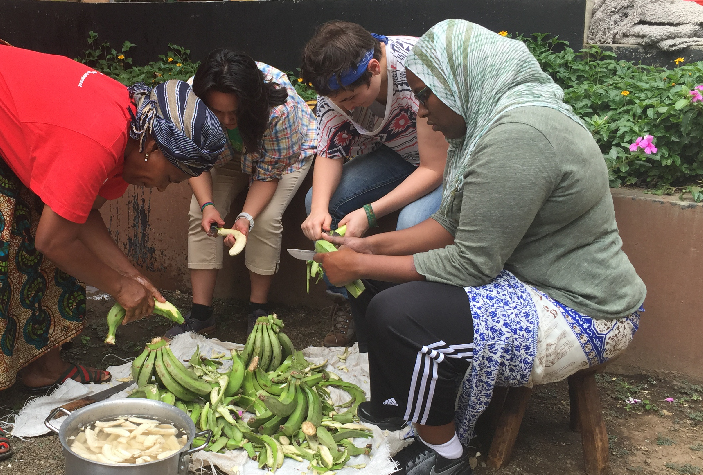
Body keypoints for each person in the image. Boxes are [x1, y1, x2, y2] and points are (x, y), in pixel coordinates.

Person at [0, 35, 225, 462]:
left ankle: (42, 365)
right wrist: (118, 288)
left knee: (28, 218)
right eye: (170, 177)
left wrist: (132, 276)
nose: (161, 186)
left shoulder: (132, 135)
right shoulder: (99, 139)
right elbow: (54, 241)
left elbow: (79, 214)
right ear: (154, 146)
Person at [313, 20, 645, 475]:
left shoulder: (518, 137)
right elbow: (450, 225)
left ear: (457, 83)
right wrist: (369, 246)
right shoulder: (488, 122)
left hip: (581, 308)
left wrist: (361, 262)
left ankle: (447, 454)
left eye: (427, 96)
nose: (423, 113)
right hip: (532, 278)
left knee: (399, 312)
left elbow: (471, 261)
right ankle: (399, 404)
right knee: (379, 277)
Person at [299, 21, 449, 346]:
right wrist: (321, 210)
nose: (346, 108)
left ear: (375, 67)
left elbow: (434, 169)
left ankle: (406, 320)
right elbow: (329, 149)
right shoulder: (337, 84)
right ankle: (349, 303)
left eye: (352, 98)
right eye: (339, 102)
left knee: (411, 223)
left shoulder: (415, 69)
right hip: (400, 154)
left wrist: (370, 212)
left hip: (450, 163)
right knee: (317, 202)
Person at [164, 48, 316, 339]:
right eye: (218, 112)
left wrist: (245, 217)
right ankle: (201, 315)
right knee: (200, 213)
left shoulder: (278, 111)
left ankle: (258, 310)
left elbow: (268, 174)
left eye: (235, 112)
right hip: (228, 155)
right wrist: (209, 205)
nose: (228, 120)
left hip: (284, 155)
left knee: (266, 219)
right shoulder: (191, 102)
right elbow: (194, 161)